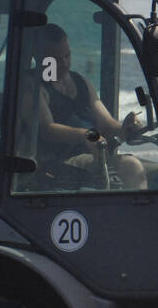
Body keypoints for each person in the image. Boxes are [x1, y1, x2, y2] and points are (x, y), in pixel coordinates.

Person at [31, 23, 147, 190]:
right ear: (38, 57)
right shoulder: (33, 87)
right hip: (57, 165)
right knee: (131, 167)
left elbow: (107, 125)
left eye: (67, 56)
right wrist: (87, 135)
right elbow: (46, 129)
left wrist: (125, 128)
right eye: (55, 59)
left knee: (157, 173)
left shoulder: (81, 82)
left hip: (93, 157)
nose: (64, 63)